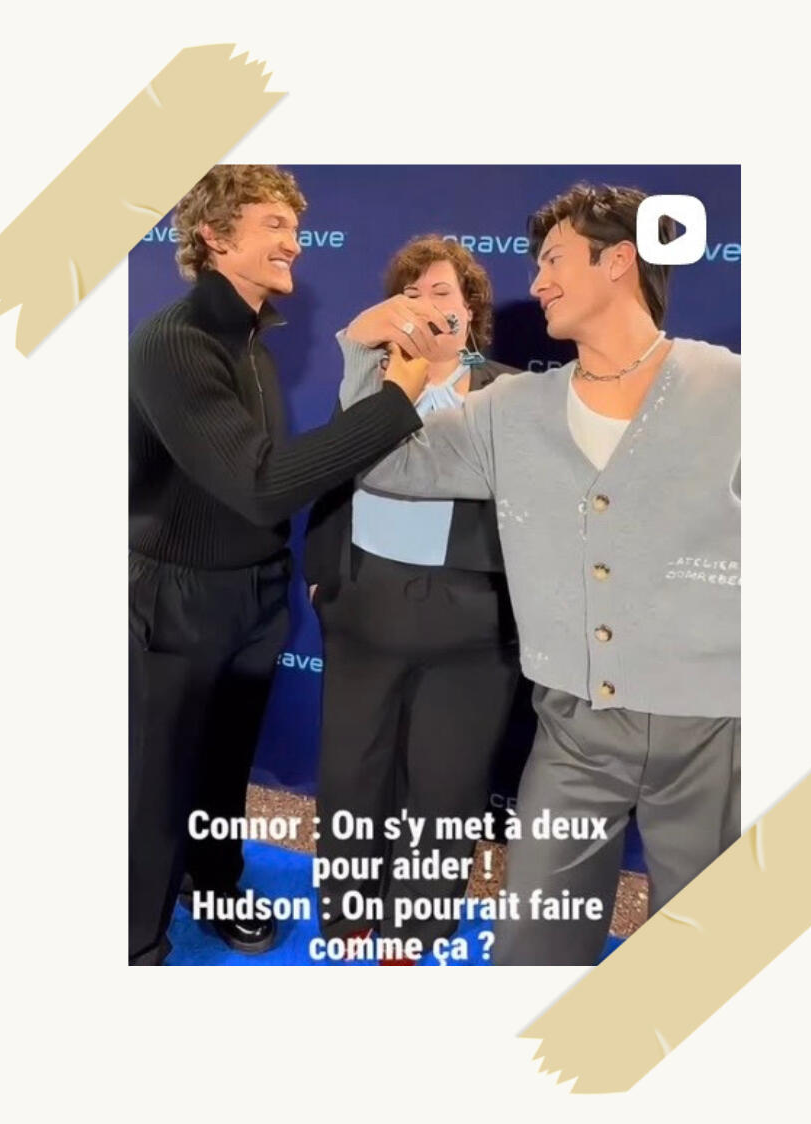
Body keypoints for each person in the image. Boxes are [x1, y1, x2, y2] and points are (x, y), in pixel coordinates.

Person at [337, 183, 740, 966]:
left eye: (554, 260)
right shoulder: (510, 409)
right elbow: (385, 465)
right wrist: (361, 352)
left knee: (713, 961)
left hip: (718, 733)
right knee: (531, 947)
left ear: (618, 261)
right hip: (572, 734)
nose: (538, 282)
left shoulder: (735, 389)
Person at [128, 165, 450, 966]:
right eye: (274, 225)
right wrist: (398, 400)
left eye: (295, 227)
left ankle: (213, 883)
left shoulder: (252, 342)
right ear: (214, 235)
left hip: (253, 596)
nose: (295, 243)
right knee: (158, 784)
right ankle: (136, 941)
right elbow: (263, 484)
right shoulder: (174, 343)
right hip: (178, 599)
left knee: (224, 768)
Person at [305, 236, 521, 963]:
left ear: (471, 310)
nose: (427, 306)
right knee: (351, 770)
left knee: (446, 784)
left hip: (471, 623)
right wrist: (324, 574)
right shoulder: (366, 381)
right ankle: (348, 918)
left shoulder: (507, 394)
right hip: (365, 605)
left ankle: (414, 931)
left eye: (442, 293)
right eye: (412, 293)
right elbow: (333, 473)